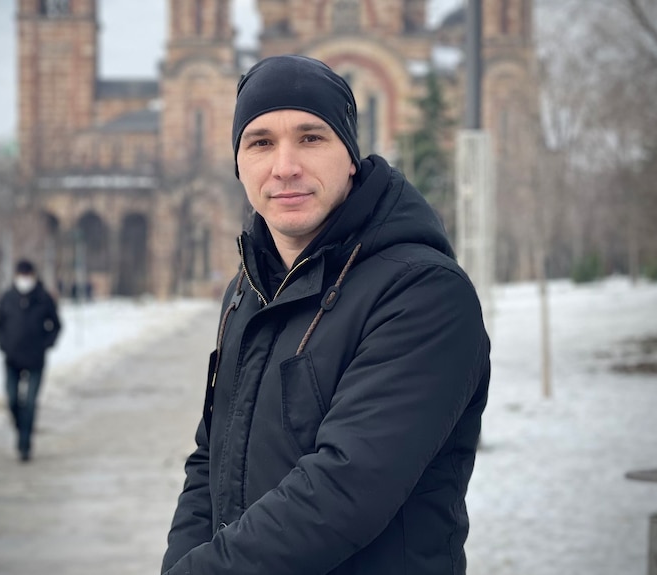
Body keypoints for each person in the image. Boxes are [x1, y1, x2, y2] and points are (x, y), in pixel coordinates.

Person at [161, 55, 491, 575]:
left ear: (351, 156)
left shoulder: (423, 293)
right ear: (239, 164)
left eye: (311, 138)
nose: (285, 166)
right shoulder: (247, 290)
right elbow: (210, 461)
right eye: (261, 142)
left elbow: (346, 488)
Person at [0, 259, 61, 462]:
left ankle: (25, 444)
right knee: (13, 399)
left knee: (30, 403)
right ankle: (20, 427)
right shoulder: (8, 297)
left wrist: (46, 344)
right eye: (21, 275)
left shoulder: (43, 298)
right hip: (12, 358)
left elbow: (56, 325)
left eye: (27, 275)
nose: (24, 279)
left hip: (35, 359)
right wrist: (3, 345)